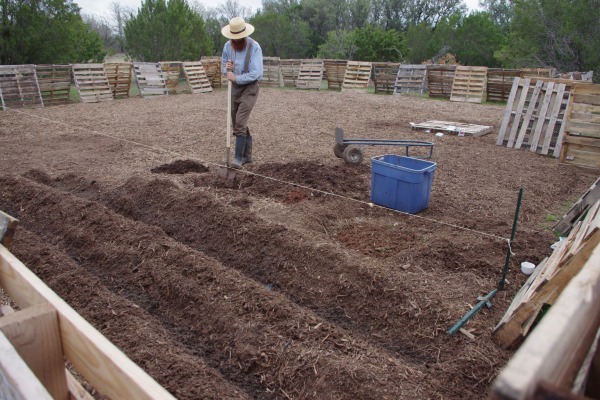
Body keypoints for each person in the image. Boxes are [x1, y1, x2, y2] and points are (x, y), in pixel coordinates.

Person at [221, 16, 263, 169]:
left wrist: (235, 77)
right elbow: (223, 68)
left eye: (239, 39)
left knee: (240, 120)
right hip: (234, 88)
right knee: (237, 122)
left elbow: (255, 73)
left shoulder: (254, 47)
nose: (236, 42)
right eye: (234, 39)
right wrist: (227, 69)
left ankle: (238, 159)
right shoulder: (227, 46)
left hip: (250, 87)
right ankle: (247, 156)